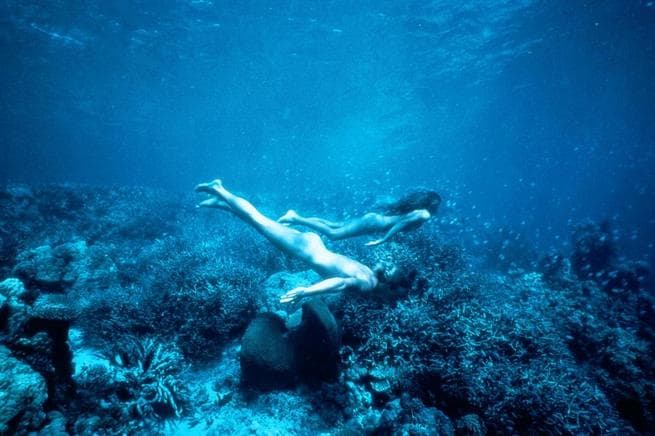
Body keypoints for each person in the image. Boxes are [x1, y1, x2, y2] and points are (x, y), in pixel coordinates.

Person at [195, 179, 378, 304]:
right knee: (258, 219)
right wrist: (307, 291)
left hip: (313, 244)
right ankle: (219, 189)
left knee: (258, 221)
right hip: (304, 250)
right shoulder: (368, 285)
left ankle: (222, 204)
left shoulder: (371, 273)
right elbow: (341, 283)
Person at [277, 190, 441, 246]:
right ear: (432, 203)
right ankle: (295, 218)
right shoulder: (424, 214)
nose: (437, 207)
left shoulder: (418, 210)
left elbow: (401, 221)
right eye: (437, 204)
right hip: (373, 223)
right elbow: (401, 224)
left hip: (374, 220)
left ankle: (297, 217)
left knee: (333, 225)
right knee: (334, 235)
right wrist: (383, 240)